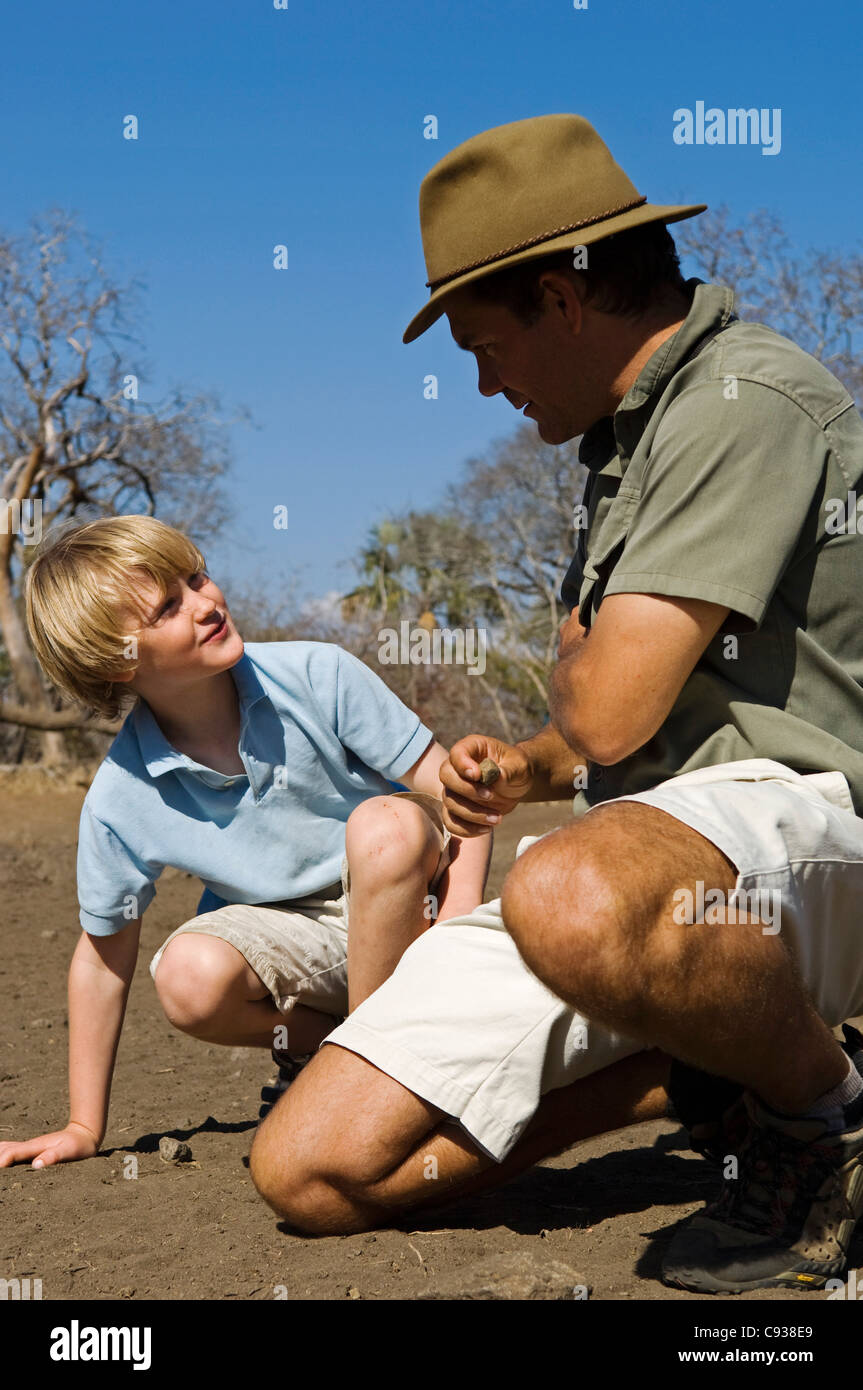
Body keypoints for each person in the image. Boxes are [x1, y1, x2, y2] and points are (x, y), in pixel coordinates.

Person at [248, 114, 863, 1296]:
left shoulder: (742, 401)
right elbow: (604, 724)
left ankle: (821, 1119)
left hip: (813, 827)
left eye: (486, 344)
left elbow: (616, 707)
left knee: (567, 889)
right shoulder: (614, 451)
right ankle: (703, 1062)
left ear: (562, 300)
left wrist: (577, 687)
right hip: (674, 868)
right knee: (310, 1167)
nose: (483, 382)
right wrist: (531, 768)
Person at [0, 513, 492, 1171]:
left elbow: (466, 797)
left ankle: (378, 1076)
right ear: (119, 664)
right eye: (170, 606)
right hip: (302, 943)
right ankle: (336, 1054)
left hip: (412, 909)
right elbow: (100, 960)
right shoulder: (121, 797)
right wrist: (84, 1124)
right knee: (187, 976)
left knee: (385, 826)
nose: (206, 603)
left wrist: (453, 931)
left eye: (196, 577)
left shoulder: (318, 672)